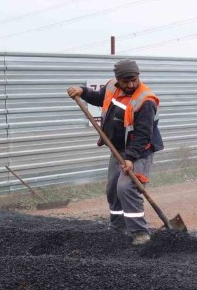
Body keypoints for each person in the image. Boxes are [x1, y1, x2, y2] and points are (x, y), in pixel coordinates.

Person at [67, 59, 164, 245]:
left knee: (126, 187)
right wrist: (83, 91)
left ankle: (140, 233)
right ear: (118, 80)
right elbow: (99, 98)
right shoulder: (112, 87)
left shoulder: (146, 100)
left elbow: (144, 135)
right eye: (126, 81)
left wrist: (130, 158)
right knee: (113, 188)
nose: (131, 84)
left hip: (140, 150)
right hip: (118, 147)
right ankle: (118, 227)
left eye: (134, 80)